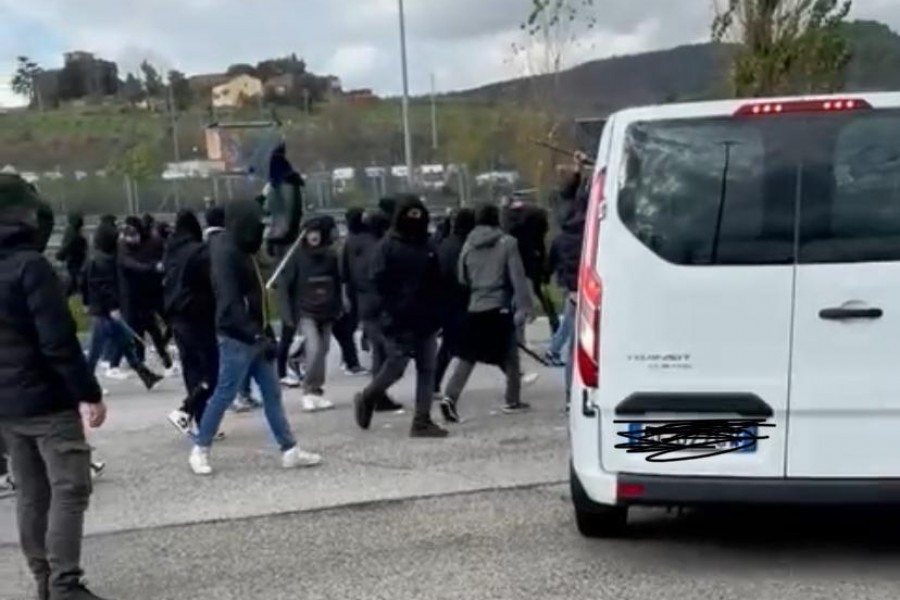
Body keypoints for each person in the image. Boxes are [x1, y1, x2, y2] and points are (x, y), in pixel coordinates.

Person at [0, 173, 110, 600]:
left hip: (6, 405)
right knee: (70, 487)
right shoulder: (31, 266)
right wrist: (89, 392)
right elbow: (58, 341)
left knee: (30, 491)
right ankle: (65, 583)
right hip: (46, 399)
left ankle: (44, 578)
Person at [189, 198, 322, 475]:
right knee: (224, 394)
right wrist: (255, 334)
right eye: (257, 224)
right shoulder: (226, 252)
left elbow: (257, 296)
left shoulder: (243, 248)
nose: (261, 229)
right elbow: (229, 304)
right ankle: (200, 449)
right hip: (238, 336)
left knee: (272, 393)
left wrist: (265, 333)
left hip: (256, 334)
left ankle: (289, 450)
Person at [353, 195, 447, 438]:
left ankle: (422, 420)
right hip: (398, 318)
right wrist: (387, 313)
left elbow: (438, 281)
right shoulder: (387, 247)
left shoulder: (428, 246)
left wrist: (438, 312)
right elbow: (378, 282)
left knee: (427, 369)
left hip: (425, 318)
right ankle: (368, 396)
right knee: (396, 366)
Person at [440, 203, 534, 423]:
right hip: (499, 306)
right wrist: (523, 306)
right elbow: (517, 277)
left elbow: (462, 277)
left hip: (476, 305)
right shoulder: (507, 243)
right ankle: (512, 399)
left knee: (467, 356)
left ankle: (450, 397)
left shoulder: (468, 245)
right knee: (510, 355)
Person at [84, 220, 163, 391]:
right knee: (95, 351)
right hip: (105, 311)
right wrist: (113, 307)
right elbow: (105, 287)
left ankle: (145, 375)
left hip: (103, 309)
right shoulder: (104, 261)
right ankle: (85, 385)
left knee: (125, 343)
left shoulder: (99, 258)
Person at [279, 217, 342, 412]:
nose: (313, 236)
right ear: (303, 235)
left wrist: (340, 306)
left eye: (316, 232)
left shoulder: (330, 257)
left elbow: (337, 283)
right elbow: (285, 287)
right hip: (306, 311)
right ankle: (306, 390)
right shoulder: (296, 257)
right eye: (309, 232)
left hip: (327, 310)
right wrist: (288, 314)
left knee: (323, 351)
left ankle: (316, 390)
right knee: (314, 349)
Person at [164, 210, 219, 435]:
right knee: (212, 371)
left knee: (192, 369)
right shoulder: (199, 252)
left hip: (177, 317)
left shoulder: (170, 253)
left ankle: (199, 420)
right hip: (198, 316)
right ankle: (186, 410)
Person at [347, 209, 404, 413]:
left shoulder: (353, 243)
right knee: (394, 357)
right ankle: (371, 396)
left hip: (364, 302)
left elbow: (347, 274)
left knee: (379, 354)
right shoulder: (381, 247)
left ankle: (378, 396)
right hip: (382, 304)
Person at [434, 208, 476, 396]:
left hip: (445, 301)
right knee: (453, 347)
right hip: (462, 301)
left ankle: (434, 383)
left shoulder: (444, 245)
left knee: (449, 347)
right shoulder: (465, 247)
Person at [55, 212, 88, 298]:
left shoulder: (71, 232)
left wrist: (60, 256)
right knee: (75, 281)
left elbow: (66, 246)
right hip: (76, 260)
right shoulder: (76, 233)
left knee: (73, 281)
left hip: (72, 261)